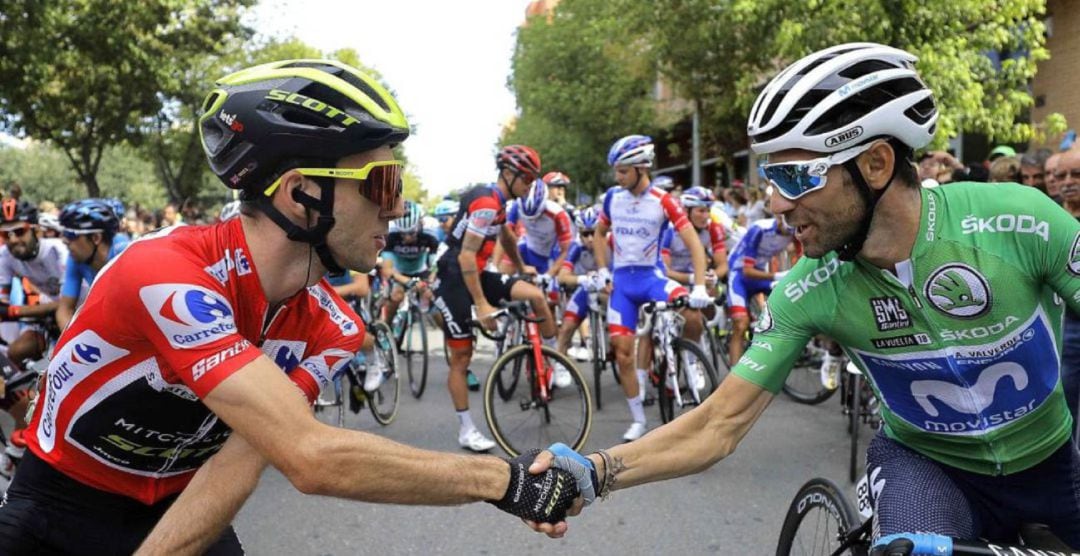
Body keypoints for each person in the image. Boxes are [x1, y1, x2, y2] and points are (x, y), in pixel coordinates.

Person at [0, 59, 579, 555]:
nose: (397, 210)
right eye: (382, 185)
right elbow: (313, 457)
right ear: (302, 193)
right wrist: (498, 478)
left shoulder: (335, 327)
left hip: (184, 496)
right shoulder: (166, 274)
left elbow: (239, 459)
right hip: (59, 502)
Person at [534, 42, 1080, 549]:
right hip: (929, 467)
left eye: (794, 177)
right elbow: (716, 424)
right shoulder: (808, 289)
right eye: (770, 179)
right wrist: (595, 470)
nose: (775, 203)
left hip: (1053, 457)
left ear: (876, 165)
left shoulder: (1018, 222)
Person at [431, 145, 561, 452]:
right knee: (462, 357)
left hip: (475, 272)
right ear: (508, 174)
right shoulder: (487, 204)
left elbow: (506, 238)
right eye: (527, 179)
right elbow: (465, 256)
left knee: (534, 295)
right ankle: (466, 429)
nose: (530, 185)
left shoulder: (500, 202)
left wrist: (520, 267)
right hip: (454, 276)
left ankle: (554, 360)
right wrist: (483, 305)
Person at [594, 134, 712, 442]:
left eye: (622, 171)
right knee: (622, 354)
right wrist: (602, 269)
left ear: (641, 168)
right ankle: (638, 419)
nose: (617, 177)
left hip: (652, 278)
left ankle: (687, 360)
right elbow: (598, 233)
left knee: (691, 312)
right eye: (616, 171)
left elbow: (694, 245)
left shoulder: (664, 200)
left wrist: (699, 285)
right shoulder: (612, 198)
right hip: (622, 283)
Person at [0, 199, 67, 369]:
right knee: (15, 352)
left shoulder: (58, 250)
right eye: (5, 234)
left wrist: (18, 311)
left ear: (36, 231)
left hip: (79, 308)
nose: (13, 239)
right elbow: (2, 305)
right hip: (48, 312)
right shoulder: (5, 256)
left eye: (20, 231)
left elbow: (66, 305)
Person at [724, 215, 797, 366]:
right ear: (779, 218)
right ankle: (734, 373)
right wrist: (777, 275)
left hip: (759, 274)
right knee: (740, 323)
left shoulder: (793, 232)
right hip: (739, 275)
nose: (789, 234)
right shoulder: (760, 229)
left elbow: (798, 256)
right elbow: (747, 271)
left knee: (790, 297)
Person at [55, 199, 130, 331]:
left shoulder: (124, 252)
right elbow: (64, 309)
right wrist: (73, 342)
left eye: (71, 235)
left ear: (96, 238)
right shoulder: (75, 258)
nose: (65, 241)